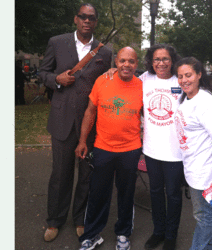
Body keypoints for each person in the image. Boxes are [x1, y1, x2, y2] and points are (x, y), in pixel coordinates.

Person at [39, 2, 112, 242]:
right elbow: (42, 73)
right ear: (75, 19)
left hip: (90, 124)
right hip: (62, 120)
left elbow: (105, 85)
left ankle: (81, 219)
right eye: (83, 17)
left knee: (86, 175)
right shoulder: (57, 42)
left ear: (96, 22)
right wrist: (56, 80)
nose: (87, 21)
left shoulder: (105, 52)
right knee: (60, 174)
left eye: (91, 18)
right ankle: (54, 220)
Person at [105, 44, 184, 250]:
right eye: (157, 59)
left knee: (174, 195)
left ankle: (170, 235)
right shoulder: (145, 79)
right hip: (151, 150)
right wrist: (113, 70)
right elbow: (125, 81)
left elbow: (199, 99)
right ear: (151, 61)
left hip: (176, 152)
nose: (161, 63)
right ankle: (158, 231)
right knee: (156, 192)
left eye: (165, 59)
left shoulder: (181, 80)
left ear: (172, 60)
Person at [75, 47, 143, 250]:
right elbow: (90, 111)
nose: (126, 65)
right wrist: (82, 141)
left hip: (130, 149)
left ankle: (123, 234)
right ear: (116, 61)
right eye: (122, 61)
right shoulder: (103, 80)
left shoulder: (142, 86)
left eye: (131, 61)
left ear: (136, 64)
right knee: (97, 192)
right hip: (103, 147)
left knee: (126, 193)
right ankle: (92, 234)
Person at [174, 57, 212, 250]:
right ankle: (209, 247)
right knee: (201, 214)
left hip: (205, 173)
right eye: (180, 76)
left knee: (203, 217)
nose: (184, 80)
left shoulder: (205, 102)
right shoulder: (188, 97)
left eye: (188, 75)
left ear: (199, 75)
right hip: (192, 167)